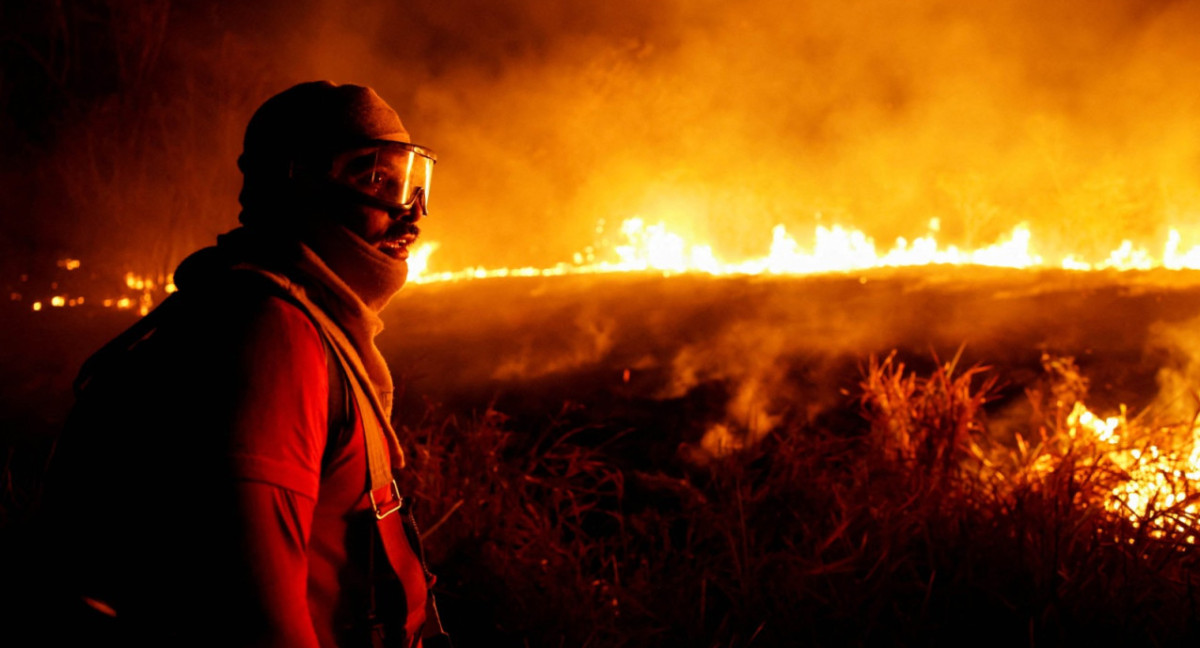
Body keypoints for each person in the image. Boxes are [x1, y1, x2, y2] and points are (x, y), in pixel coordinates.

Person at [40, 81, 446, 647]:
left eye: (412, 183)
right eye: (376, 177)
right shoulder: (271, 335)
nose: (411, 215)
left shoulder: (307, 322)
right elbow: (255, 619)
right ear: (298, 180)